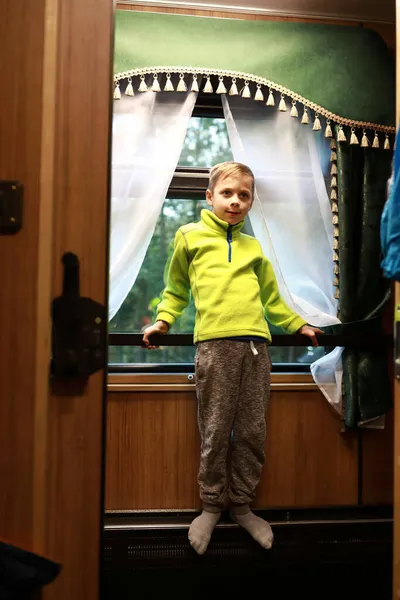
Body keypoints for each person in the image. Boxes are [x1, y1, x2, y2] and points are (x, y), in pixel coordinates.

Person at [142, 161, 322, 555]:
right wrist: (162, 321)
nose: (236, 201)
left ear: (251, 201)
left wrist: (298, 325)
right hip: (214, 348)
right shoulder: (189, 237)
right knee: (215, 430)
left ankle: (242, 505)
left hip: (256, 349)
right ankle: (210, 506)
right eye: (227, 193)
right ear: (209, 197)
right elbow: (175, 290)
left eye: (244, 195)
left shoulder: (254, 247)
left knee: (253, 431)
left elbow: (273, 301)